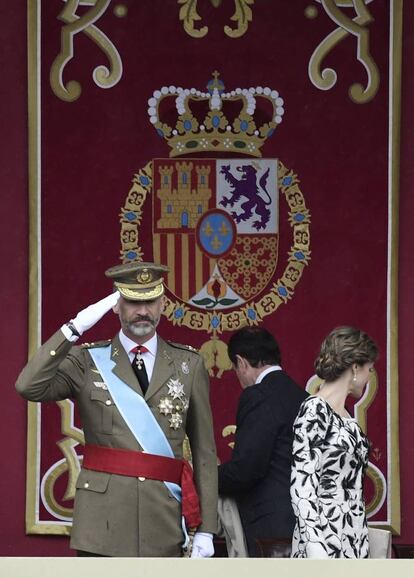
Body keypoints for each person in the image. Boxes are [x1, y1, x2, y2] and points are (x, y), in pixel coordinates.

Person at [16, 262, 218, 557]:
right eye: (133, 301)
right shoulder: (86, 361)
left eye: (150, 301)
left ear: (163, 303)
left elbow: (204, 453)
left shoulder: (189, 365)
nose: (143, 311)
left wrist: (207, 528)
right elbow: (27, 386)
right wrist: (74, 327)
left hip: (162, 521)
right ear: (114, 305)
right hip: (102, 525)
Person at [217, 326, 308, 556]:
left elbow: (246, 470)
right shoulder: (304, 397)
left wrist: (203, 478)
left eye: (235, 369)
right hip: (307, 524)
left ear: (241, 362)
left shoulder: (258, 395)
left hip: (272, 531)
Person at [290, 326, 378, 559]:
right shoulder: (314, 409)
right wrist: (313, 542)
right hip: (323, 537)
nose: (370, 376)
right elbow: (302, 483)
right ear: (355, 367)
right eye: (370, 368)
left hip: (354, 535)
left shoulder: (347, 417)